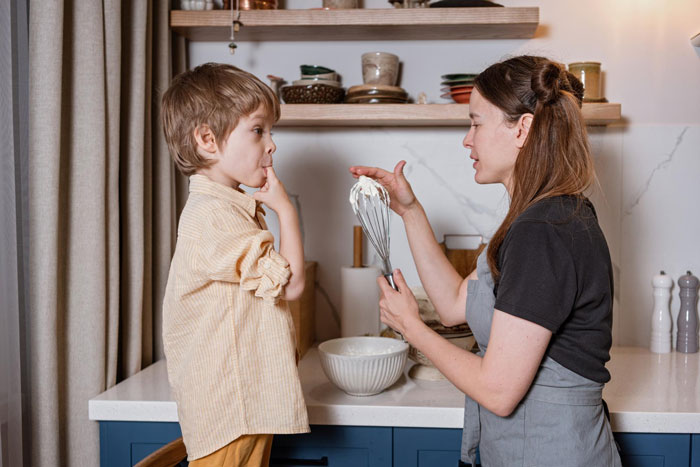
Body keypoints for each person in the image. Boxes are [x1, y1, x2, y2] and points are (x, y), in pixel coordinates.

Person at [350, 55, 622, 466]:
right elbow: (455, 304)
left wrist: (412, 328)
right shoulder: (543, 216)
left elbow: (498, 390)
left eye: (476, 123)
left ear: (522, 129)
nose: (467, 139)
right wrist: (409, 209)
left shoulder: (542, 232)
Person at [160, 63, 309, 466]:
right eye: (259, 130)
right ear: (208, 139)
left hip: (238, 405)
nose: (272, 145)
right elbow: (291, 286)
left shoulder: (229, 209)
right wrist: (286, 210)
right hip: (232, 409)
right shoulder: (214, 216)